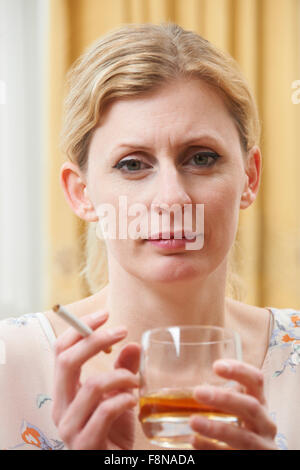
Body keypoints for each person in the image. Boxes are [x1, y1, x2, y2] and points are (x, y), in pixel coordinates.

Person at [0, 22, 299, 451]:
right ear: (81, 194)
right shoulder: (9, 365)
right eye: (133, 164)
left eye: (201, 158)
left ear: (249, 177)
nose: (172, 198)